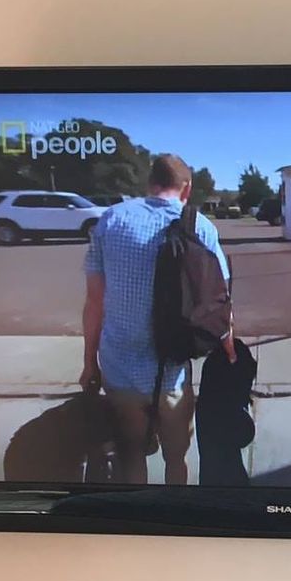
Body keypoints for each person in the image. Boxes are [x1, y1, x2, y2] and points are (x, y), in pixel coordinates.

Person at [79, 153, 233, 485]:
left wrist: (89, 363)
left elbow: (94, 302)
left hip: (120, 368)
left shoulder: (110, 220)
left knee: (130, 455)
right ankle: (175, 515)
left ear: (150, 184)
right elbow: (220, 298)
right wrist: (229, 348)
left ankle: (140, 517)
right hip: (172, 371)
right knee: (176, 458)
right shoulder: (201, 227)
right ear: (186, 188)